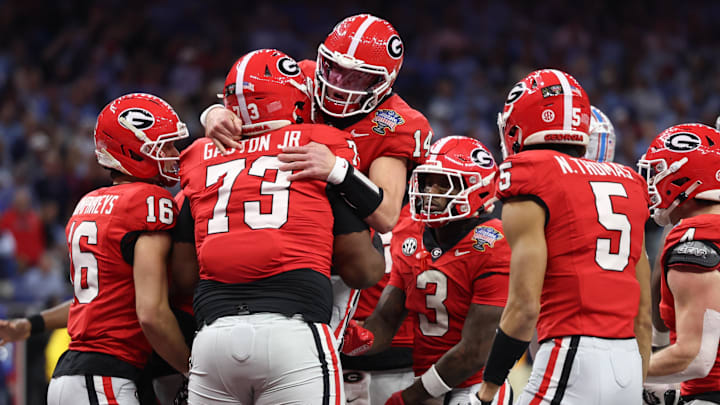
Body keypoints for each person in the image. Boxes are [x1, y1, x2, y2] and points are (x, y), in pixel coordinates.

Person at [202, 14, 432, 402]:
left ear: (384, 82)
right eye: (334, 68)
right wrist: (214, 114)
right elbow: (240, 98)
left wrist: (338, 169)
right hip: (266, 238)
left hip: (333, 259)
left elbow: (387, 213)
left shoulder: (398, 122)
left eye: (357, 78)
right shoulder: (302, 76)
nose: (338, 83)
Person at [177, 48, 384, 404]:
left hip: (212, 337)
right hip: (294, 332)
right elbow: (364, 269)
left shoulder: (196, 155)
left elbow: (181, 277)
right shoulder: (320, 143)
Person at [476, 69, 652, 405]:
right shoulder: (628, 181)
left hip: (572, 353)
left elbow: (524, 308)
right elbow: (643, 316)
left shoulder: (532, 173)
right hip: (629, 361)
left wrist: (487, 390)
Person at [34, 93, 190, 404]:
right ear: (131, 151)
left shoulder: (88, 202)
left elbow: (100, 298)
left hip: (77, 370)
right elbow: (151, 315)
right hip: (108, 374)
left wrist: (29, 325)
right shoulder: (149, 201)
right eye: (164, 146)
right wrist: (196, 371)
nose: (175, 154)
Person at [342, 136, 513, 405]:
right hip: (426, 381)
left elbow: (474, 352)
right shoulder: (411, 227)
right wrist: (346, 338)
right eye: (427, 181)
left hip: (475, 386)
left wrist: (408, 397)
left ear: (477, 189)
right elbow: (386, 320)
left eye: (443, 184)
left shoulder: (494, 242)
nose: (429, 193)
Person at [639, 123, 720, 405]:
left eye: (657, 171)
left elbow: (697, 358)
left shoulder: (696, 237)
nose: (651, 184)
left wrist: (624, 372)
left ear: (684, 176)